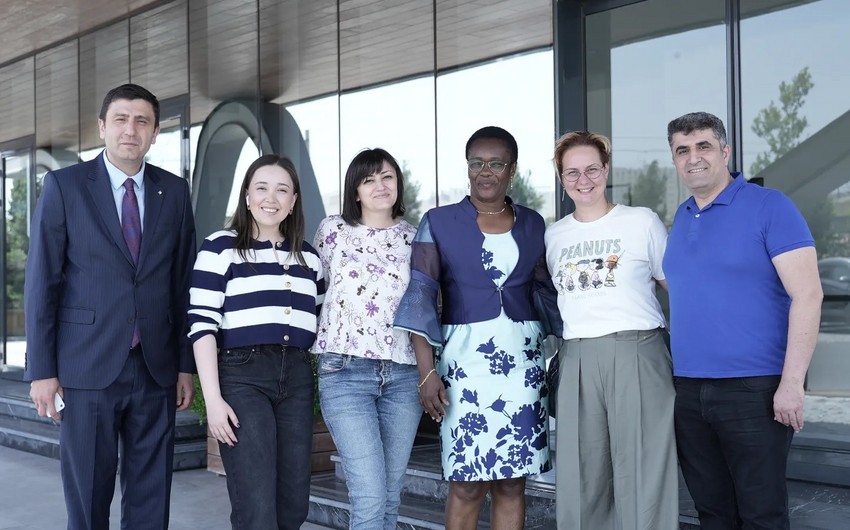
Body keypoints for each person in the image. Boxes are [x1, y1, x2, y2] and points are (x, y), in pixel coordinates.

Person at [25, 83, 197, 529]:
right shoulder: (64, 186)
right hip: (86, 367)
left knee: (151, 493)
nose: (130, 130)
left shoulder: (174, 193)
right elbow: (43, 282)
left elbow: (182, 286)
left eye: (142, 121)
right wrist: (42, 370)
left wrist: (184, 365)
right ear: (102, 127)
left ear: (155, 132)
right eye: (120, 119)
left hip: (155, 366)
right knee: (87, 494)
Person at [664, 112, 823, 530]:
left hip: (756, 390)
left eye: (703, 146)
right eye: (682, 150)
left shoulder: (770, 206)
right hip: (690, 391)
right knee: (712, 513)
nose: (693, 158)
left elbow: (808, 295)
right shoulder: (681, 218)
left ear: (725, 151)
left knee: (761, 514)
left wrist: (792, 384)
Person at [395, 126, 554, 530]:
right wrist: (426, 372)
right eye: (477, 162)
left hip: (523, 368)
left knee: (512, 483)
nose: (486, 171)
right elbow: (420, 296)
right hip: (464, 369)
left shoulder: (534, 224)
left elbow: (547, 292)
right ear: (467, 168)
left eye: (496, 162)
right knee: (466, 483)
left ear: (511, 169)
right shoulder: (439, 222)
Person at [545, 131, 678, 530]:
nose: (583, 180)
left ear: (606, 170)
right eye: (572, 172)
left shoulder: (641, 222)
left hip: (639, 351)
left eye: (591, 169)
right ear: (561, 178)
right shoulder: (553, 236)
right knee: (581, 475)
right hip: (578, 358)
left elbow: (676, 288)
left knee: (643, 469)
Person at [188, 154, 324, 530]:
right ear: (247, 195)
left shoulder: (310, 258)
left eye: (282, 189)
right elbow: (202, 326)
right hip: (242, 377)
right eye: (261, 187)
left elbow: (321, 319)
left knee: (293, 502)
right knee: (256, 505)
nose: (271, 197)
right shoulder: (220, 248)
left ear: (294, 200)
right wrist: (213, 401)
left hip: (296, 377)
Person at [311, 148, 421, 529]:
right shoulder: (332, 231)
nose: (379, 185)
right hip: (345, 372)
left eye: (387, 176)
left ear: (398, 184)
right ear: (355, 190)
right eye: (368, 179)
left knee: (390, 496)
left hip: (403, 375)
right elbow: (315, 290)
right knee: (370, 496)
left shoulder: (415, 237)